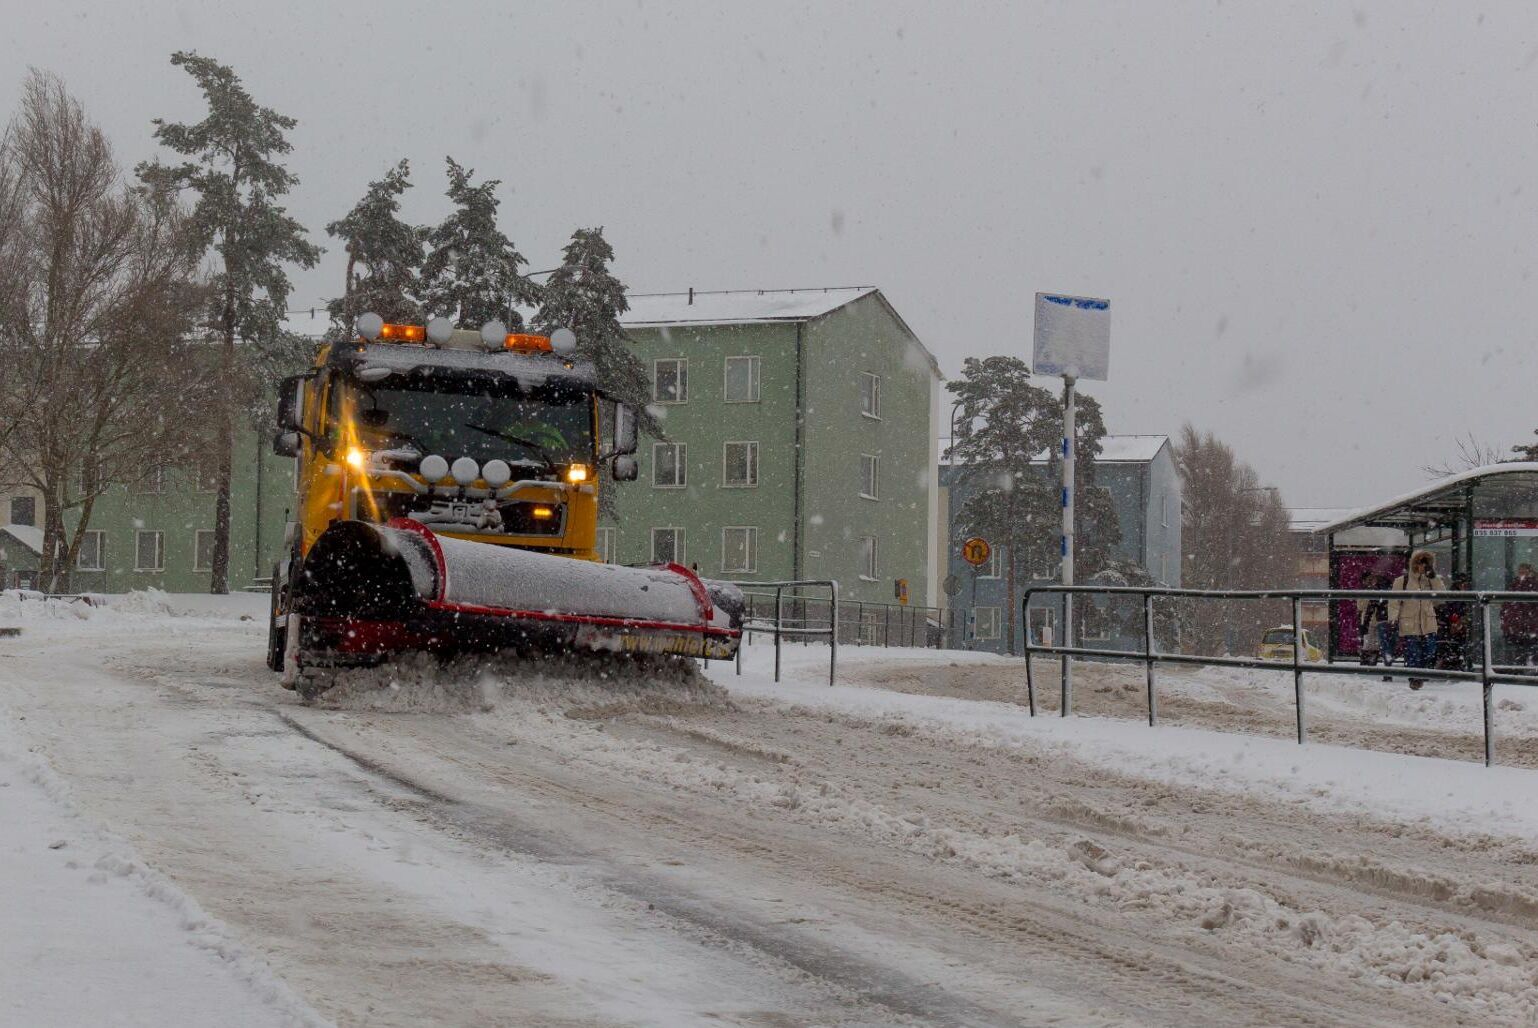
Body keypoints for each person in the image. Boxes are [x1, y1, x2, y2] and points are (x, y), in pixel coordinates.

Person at [1389, 549, 1446, 690]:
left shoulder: (1432, 581)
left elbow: (1442, 597)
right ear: (1414, 564)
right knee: (1413, 651)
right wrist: (1393, 618)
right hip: (1409, 622)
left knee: (1430, 650)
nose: (1422, 566)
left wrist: (1433, 577)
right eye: (1420, 563)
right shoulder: (1402, 581)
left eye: (1426, 563)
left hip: (1428, 622)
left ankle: (1421, 673)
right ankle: (1415, 677)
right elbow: (1394, 602)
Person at [1501, 562, 1538, 670]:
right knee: (1521, 648)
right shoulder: (1516, 583)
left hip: (1528, 623)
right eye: (1520, 570)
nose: (1521, 572)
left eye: (1524, 570)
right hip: (1520, 624)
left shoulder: (1531, 584)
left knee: (1528, 648)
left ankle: (1525, 669)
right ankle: (1521, 668)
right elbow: (1509, 603)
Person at [1357, 572, 1390, 670]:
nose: (1371, 582)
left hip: (1379, 619)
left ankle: (1372, 662)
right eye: (1369, 580)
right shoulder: (1363, 592)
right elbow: (1360, 606)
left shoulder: (1381, 589)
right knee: (1367, 642)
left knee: (1375, 643)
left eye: (1372, 579)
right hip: (1368, 620)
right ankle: (1366, 662)